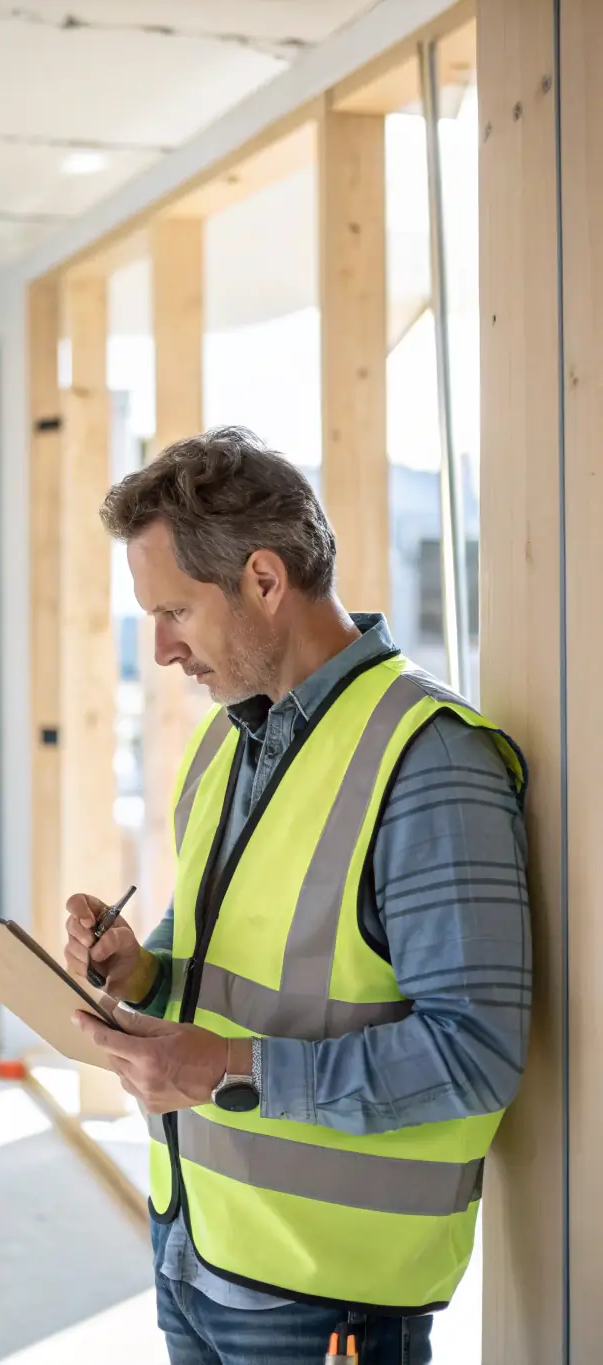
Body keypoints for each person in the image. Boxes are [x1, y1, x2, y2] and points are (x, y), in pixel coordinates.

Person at [64, 427, 530, 1365]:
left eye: (174, 613)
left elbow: (474, 1056)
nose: (159, 650)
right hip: (196, 1246)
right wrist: (140, 967)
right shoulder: (231, 739)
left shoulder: (429, 759)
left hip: (328, 1299)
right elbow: (225, 960)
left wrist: (226, 1068)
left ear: (265, 581)